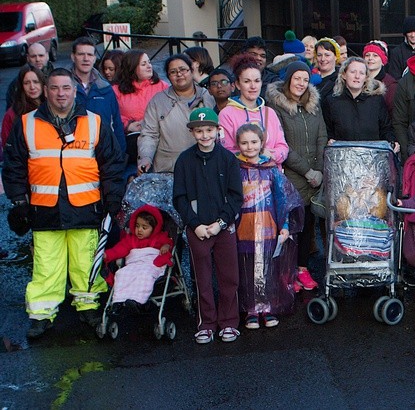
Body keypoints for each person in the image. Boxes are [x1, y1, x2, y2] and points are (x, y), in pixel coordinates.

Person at [3, 68, 126, 339]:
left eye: (66, 88)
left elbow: (112, 164)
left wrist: (113, 198)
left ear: (75, 90)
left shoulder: (94, 122)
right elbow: (13, 166)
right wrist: (19, 202)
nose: (61, 94)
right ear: (46, 91)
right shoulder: (26, 123)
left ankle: (89, 307)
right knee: (46, 266)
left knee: (86, 263)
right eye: (55, 88)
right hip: (44, 209)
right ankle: (42, 315)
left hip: (86, 207)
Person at [173, 108, 243, 344]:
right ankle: (206, 323)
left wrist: (221, 223)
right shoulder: (184, 160)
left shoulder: (228, 159)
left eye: (209, 130)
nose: (205, 135)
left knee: (229, 276)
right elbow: (179, 198)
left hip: (223, 227)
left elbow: (235, 196)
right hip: (198, 229)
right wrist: (195, 224)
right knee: (202, 278)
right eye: (199, 131)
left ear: (217, 130)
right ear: (192, 132)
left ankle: (229, 322)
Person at [266, 60, 329, 292]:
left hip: (315, 175)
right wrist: (307, 171)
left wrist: (320, 169)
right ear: (288, 79)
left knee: (309, 226)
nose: (301, 83)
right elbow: (282, 144)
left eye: (305, 79)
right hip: (292, 175)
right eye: (297, 78)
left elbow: (322, 135)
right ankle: (287, 272)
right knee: (291, 227)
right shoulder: (277, 107)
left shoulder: (314, 104)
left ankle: (302, 269)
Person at [234, 123, 303, 330]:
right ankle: (251, 309)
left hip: (268, 228)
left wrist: (284, 225)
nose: (249, 147)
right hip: (244, 229)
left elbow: (282, 199)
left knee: (268, 269)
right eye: (244, 143)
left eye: (254, 142)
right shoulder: (235, 169)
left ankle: (268, 308)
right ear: (237, 144)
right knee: (247, 270)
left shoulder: (271, 169)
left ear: (262, 143)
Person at [137, 54, 216, 174]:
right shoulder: (158, 101)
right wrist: (146, 157)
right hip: (169, 168)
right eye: (173, 72)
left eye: (183, 70)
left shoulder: (208, 96)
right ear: (168, 76)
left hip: (206, 166)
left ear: (191, 70)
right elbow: (149, 134)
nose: (179, 74)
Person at [219, 56, 289, 166]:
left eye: (257, 81)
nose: (253, 86)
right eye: (247, 81)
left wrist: (272, 156)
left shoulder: (269, 112)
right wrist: (255, 156)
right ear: (237, 84)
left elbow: (283, 147)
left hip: (271, 178)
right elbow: (225, 152)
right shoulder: (227, 114)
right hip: (242, 179)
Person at [103, 204, 173, 308]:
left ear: (154, 228)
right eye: (137, 226)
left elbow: (169, 244)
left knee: (145, 276)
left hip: (150, 265)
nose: (139, 230)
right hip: (133, 265)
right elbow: (118, 250)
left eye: (144, 227)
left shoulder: (160, 238)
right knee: (121, 274)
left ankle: (138, 300)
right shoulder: (130, 239)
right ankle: (119, 300)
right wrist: (107, 255)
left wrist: (166, 246)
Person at [70, 37, 127, 153]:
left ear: (94, 58)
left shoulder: (105, 88)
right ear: (73, 57)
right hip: (74, 153)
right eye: (81, 54)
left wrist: (120, 154)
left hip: (103, 153)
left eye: (90, 55)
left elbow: (116, 123)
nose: (86, 59)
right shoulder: (63, 87)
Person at [322, 57, 395, 146]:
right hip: (342, 156)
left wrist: (392, 142)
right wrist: (329, 140)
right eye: (353, 72)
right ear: (344, 75)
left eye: (361, 73)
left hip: (372, 156)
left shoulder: (376, 100)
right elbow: (326, 131)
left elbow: (386, 129)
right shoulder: (331, 102)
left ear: (366, 77)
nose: (357, 76)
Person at [1, 65, 43, 149]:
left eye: (36, 82)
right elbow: (8, 147)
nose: (32, 87)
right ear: (21, 86)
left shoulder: (52, 108)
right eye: (26, 83)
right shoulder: (12, 114)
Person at [363, 40, 398, 113]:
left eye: (375, 55)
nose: (370, 58)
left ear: (383, 61)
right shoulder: (358, 80)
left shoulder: (391, 85)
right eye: (367, 55)